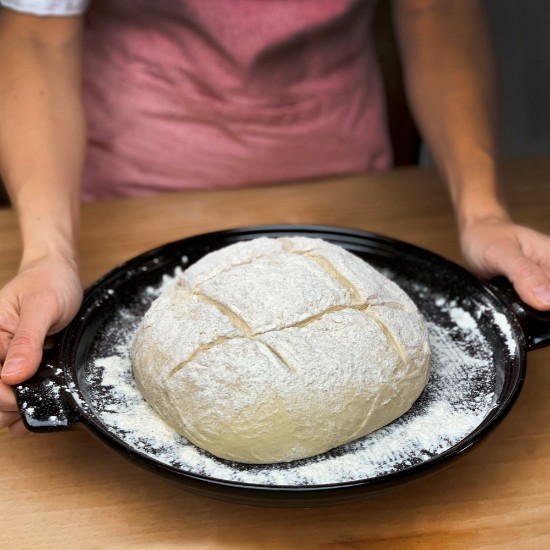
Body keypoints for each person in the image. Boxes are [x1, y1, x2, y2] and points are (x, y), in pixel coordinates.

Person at [0, 0, 549, 435]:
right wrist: (49, 253)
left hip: (344, 169)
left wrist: (483, 211)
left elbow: (438, 9)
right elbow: (37, 32)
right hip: (135, 177)